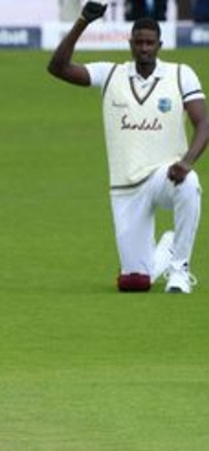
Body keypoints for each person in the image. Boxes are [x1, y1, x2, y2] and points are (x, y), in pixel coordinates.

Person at [48, 8, 207, 293]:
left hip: (165, 174)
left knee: (190, 184)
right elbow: (57, 68)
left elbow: (204, 123)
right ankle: (168, 248)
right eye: (139, 42)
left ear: (159, 45)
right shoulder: (110, 74)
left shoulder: (181, 75)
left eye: (149, 43)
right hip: (126, 185)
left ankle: (180, 269)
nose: (144, 48)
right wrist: (84, 21)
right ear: (130, 44)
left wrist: (186, 162)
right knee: (134, 283)